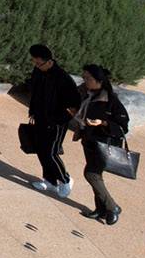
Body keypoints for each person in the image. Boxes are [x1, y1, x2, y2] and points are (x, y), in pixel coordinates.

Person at [74, 63, 130, 225]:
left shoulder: (111, 100)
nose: (84, 80)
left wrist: (103, 123)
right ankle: (100, 209)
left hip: (104, 144)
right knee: (96, 176)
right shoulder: (85, 93)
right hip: (89, 140)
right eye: (83, 77)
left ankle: (112, 207)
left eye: (88, 78)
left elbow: (123, 126)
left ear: (99, 81)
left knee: (91, 174)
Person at [26, 43, 81, 197]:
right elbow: (35, 93)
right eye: (34, 62)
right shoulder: (38, 71)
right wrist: (33, 111)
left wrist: (59, 120)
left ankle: (65, 179)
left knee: (51, 152)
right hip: (40, 117)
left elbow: (74, 104)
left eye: (39, 63)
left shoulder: (63, 79)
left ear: (49, 62)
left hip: (56, 122)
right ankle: (50, 180)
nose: (36, 66)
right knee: (41, 150)